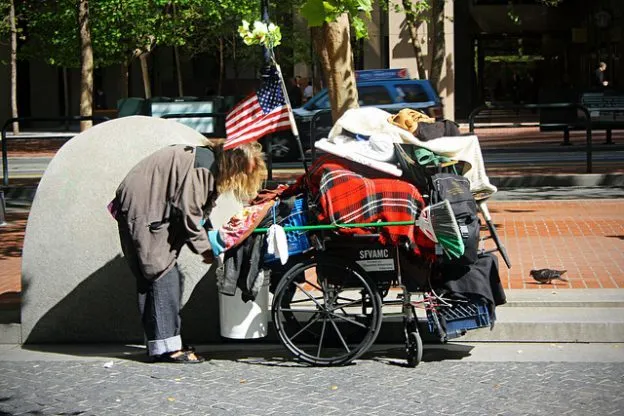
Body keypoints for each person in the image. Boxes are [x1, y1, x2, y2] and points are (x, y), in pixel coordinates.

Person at [112, 141, 267, 363]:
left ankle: (159, 344)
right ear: (234, 166)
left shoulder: (208, 165)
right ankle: (169, 349)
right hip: (145, 208)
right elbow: (191, 216)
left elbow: (197, 212)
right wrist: (206, 250)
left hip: (144, 205)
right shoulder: (203, 169)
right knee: (163, 275)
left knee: (156, 277)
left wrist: (211, 239)